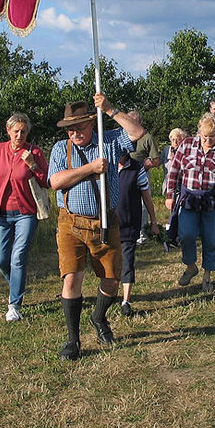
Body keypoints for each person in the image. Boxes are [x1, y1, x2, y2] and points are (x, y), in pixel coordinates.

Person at [48, 94, 145, 361]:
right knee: (72, 277)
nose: (74, 132)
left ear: (92, 123)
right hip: (71, 223)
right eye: (70, 127)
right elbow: (55, 181)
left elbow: (137, 132)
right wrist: (90, 168)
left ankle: (99, 317)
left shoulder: (110, 141)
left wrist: (111, 109)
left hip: (105, 221)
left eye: (79, 126)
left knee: (112, 280)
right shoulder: (60, 149)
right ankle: (73, 340)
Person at [0, 112, 49, 322]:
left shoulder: (34, 152)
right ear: (8, 131)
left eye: (24, 131)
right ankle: (16, 285)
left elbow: (46, 181)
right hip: (1, 213)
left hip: (26, 213)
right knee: (0, 259)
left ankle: (14, 304)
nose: (20, 135)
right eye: (16, 131)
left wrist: (32, 165)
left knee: (18, 257)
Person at [164, 113, 215, 292]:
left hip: (214, 202)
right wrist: (170, 195)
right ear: (199, 132)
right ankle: (191, 266)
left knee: (211, 239)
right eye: (205, 136)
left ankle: (207, 277)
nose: (208, 140)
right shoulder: (186, 145)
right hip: (190, 199)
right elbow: (174, 171)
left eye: (213, 137)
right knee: (186, 235)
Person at [116, 153, 159, 316]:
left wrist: (153, 221)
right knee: (111, 263)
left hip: (129, 223)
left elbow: (146, 196)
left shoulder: (136, 168)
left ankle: (125, 301)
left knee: (127, 261)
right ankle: (109, 295)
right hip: (109, 225)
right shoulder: (104, 165)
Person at [127, 110, 161, 244]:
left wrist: (149, 163)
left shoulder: (147, 138)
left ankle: (142, 234)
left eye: (135, 122)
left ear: (141, 123)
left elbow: (156, 160)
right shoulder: (122, 136)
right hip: (124, 173)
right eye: (130, 122)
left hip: (141, 173)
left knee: (143, 204)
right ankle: (126, 231)